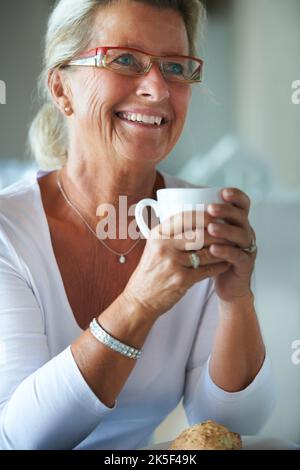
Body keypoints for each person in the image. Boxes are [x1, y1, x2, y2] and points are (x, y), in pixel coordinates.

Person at [0, 0, 275, 450]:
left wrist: (237, 298)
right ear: (62, 89)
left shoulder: (199, 215)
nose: (158, 89)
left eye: (174, 66)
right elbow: (19, 438)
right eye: (124, 59)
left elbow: (227, 424)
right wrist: (141, 303)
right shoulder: (8, 230)